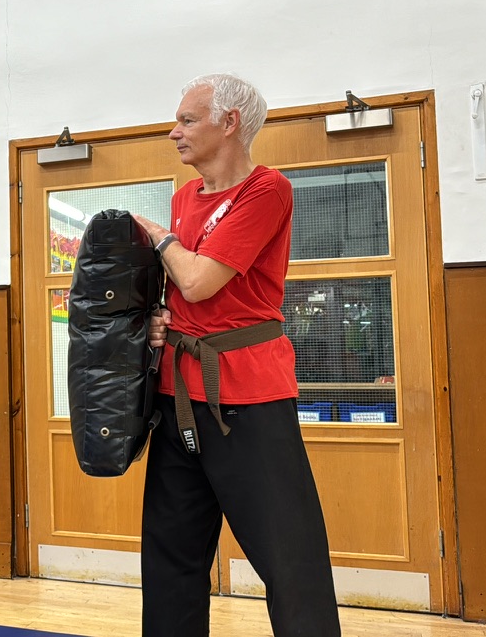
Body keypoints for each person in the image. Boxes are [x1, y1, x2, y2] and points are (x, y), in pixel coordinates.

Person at [134, 74, 340, 637]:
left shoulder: (267, 189)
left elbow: (199, 281)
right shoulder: (184, 198)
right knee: (171, 558)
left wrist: (159, 237)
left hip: (249, 397)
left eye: (187, 120)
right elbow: (182, 294)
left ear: (229, 123)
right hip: (177, 395)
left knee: (290, 558)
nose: (174, 132)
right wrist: (160, 319)